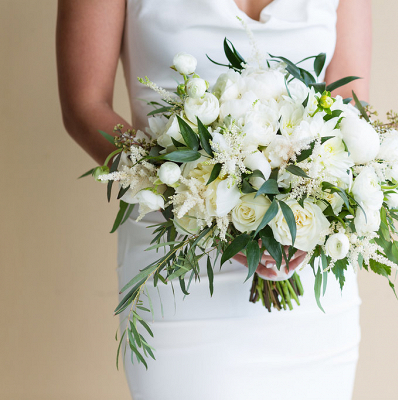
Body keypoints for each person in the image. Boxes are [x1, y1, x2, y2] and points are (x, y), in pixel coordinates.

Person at [57, 1, 371, 399]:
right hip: (179, 271)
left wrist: (310, 206)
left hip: (310, 275)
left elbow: (349, 108)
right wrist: (197, 197)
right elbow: (84, 106)